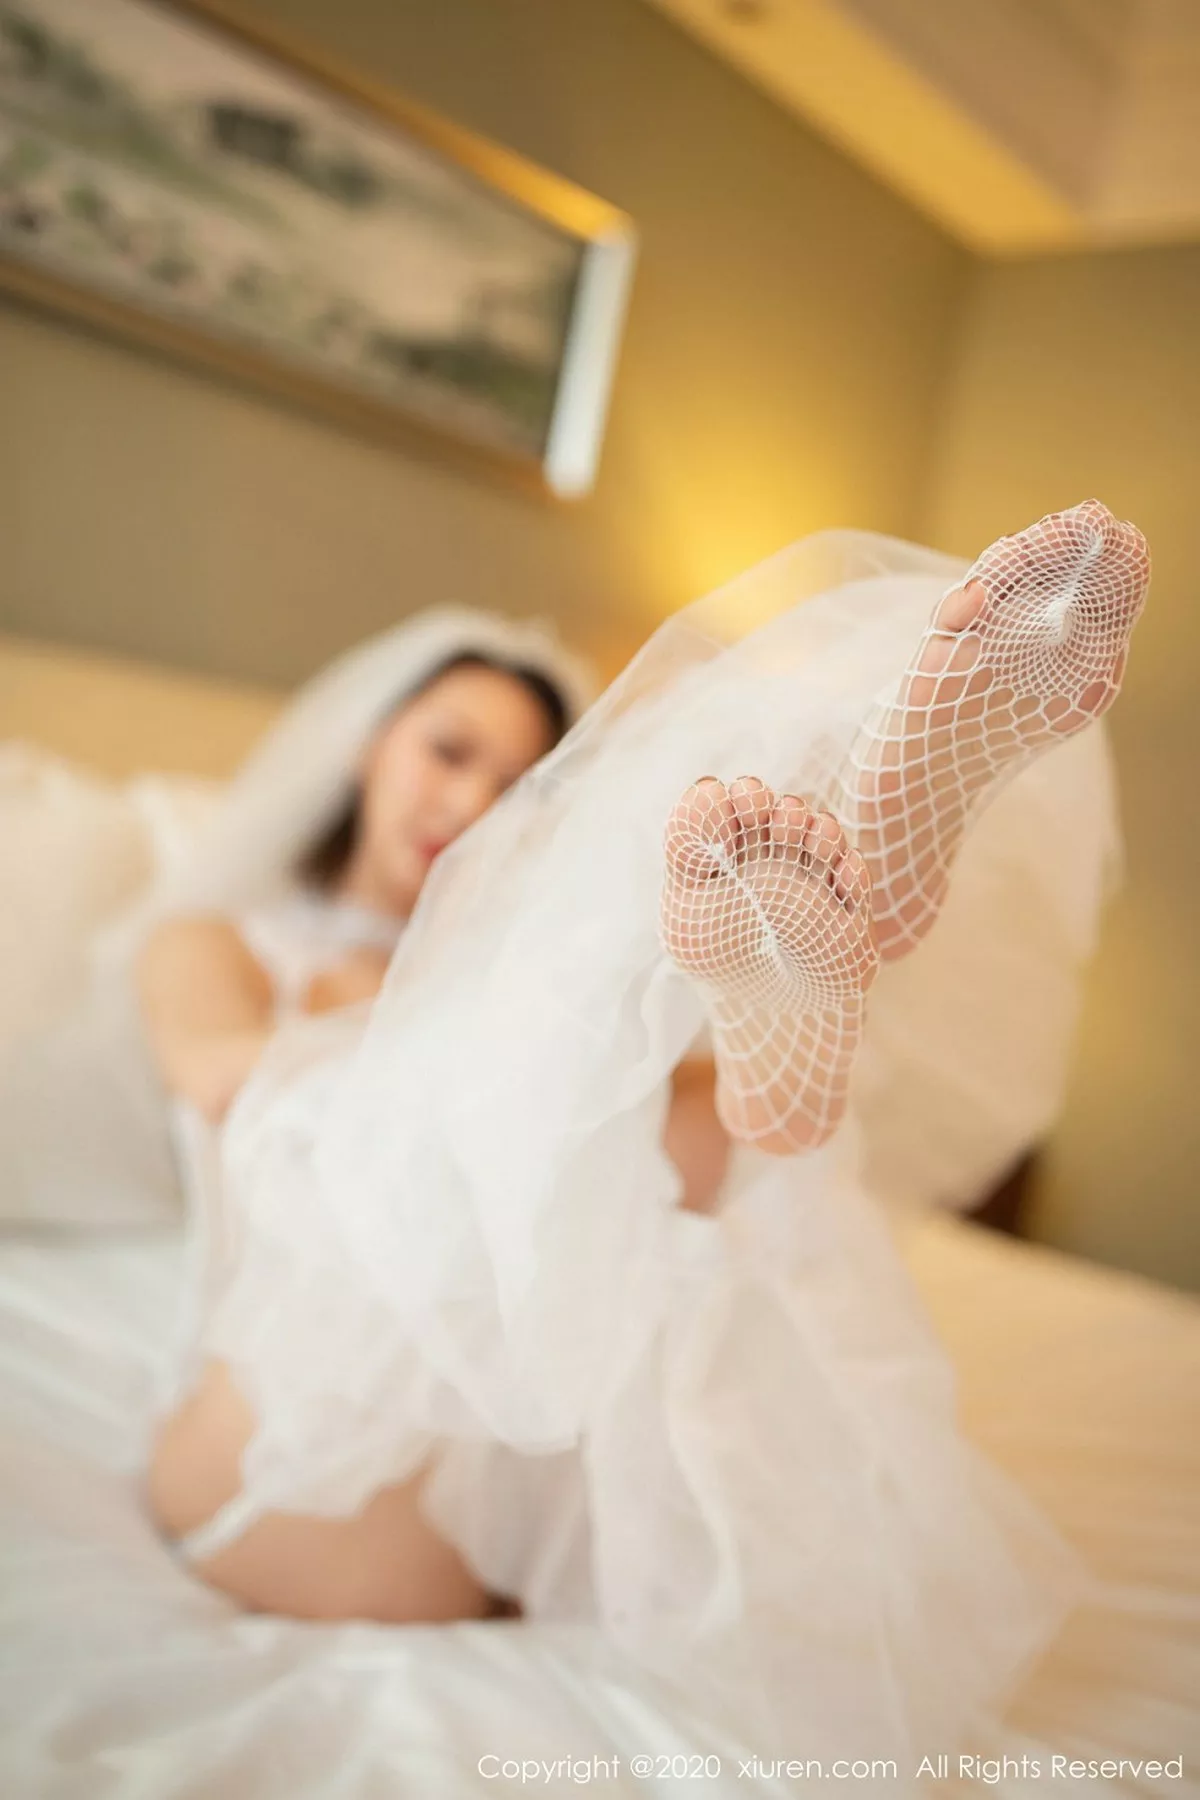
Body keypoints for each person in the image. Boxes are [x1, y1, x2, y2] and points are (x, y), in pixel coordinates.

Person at [141, 503, 1149, 1763]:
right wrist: (459, 1029)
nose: (469, 799)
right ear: (368, 746)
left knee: (717, 1161)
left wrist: (585, 1042)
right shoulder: (223, 946)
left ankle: (847, 912)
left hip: (541, 1483)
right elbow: (223, 1077)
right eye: (447, 750)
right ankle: (824, 867)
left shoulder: (541, 1009)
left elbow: (714, 1177)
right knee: (544, 1072)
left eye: (514, 787)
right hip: (280, 1466)